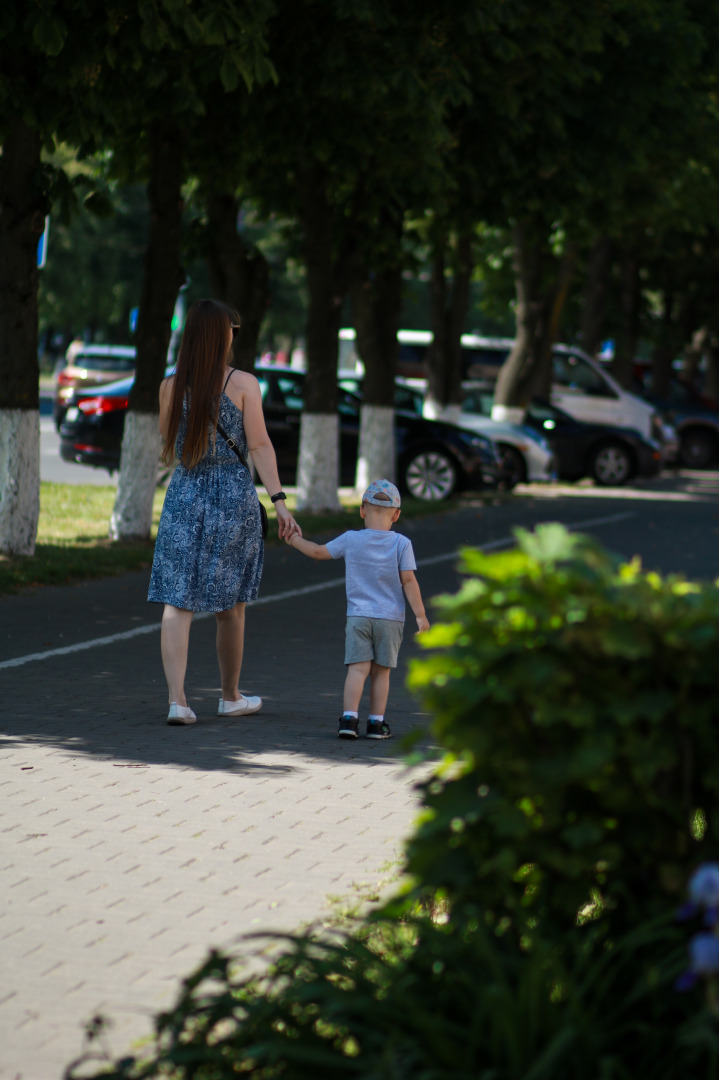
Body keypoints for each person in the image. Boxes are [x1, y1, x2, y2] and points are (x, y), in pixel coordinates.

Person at [148, 299, 301, 726]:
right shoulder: (243, 384)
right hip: (232, 494)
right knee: (230, 605)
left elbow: (169, 446)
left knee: (177, 603)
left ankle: (178, 701)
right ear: (223, 333)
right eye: (234, 326)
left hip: (184, 492)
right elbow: (260, 446)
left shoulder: (169, 385)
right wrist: (280, 501)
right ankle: (229, 696)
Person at [285, 479, 430, 739]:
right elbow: (409, 580)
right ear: (396, 515)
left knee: (357, 669)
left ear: (362, 510)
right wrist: (420, 616)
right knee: (381, 672)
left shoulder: (351, 539)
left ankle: (349, 720)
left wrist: (294, 539)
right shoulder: (401, 544)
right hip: (390, 619)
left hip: (358, 617)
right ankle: (376, 724)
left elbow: (318, 552)